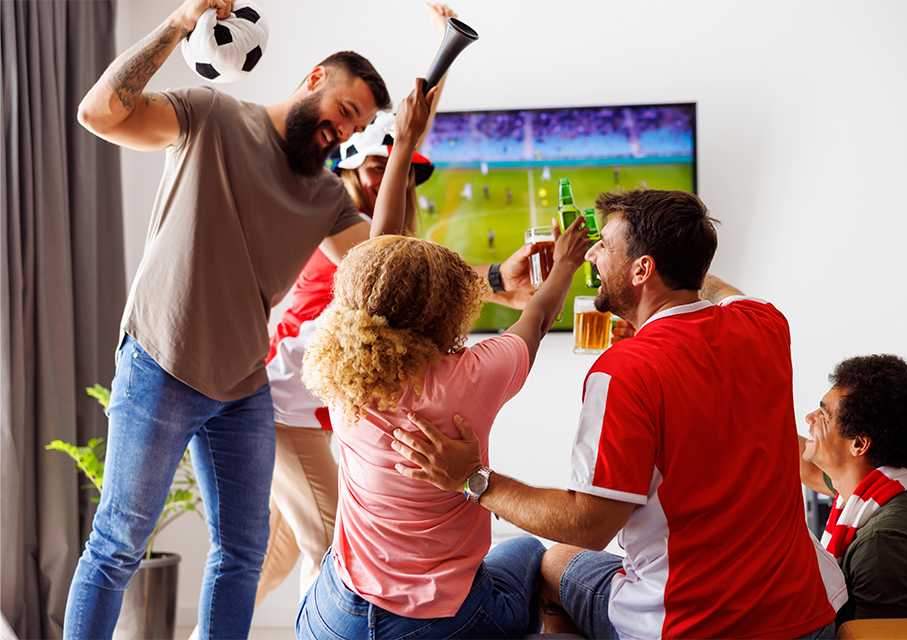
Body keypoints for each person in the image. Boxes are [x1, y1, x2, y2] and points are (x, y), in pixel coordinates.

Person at [63, 0, 404, 635]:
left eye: (358, 128)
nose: (346, 133)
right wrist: (173, 27)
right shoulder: (213, 117)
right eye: (345, 112)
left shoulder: (326, 196)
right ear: (314, 80)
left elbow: (386, 268)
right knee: (116, 546)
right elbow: (97, 113)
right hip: (160, 364)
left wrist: (406, 144)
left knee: (242, 556)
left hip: (243, 387)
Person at [391, 189, 848, 639]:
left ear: (642, 269)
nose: (592, 254)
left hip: (692, 625)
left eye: (604, 245)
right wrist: (674, 270)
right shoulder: (765, 323)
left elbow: (589, 525)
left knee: (552, 561)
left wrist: (473, 478)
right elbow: (720, 290)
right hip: (805, 616)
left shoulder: (625, 371)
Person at [293, 195, 591, 636]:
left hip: (333, 619)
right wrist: (565, 263)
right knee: (528, 551)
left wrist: (405, 142)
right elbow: (539, 316)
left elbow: (378, 248)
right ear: (450, 308)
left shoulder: (341, 369)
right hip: (437, 625)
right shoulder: (472, 376)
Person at [799, 355, 907, 626]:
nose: (809, 418)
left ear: (859, 444)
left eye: (823, 414)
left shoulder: (884, 545)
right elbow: (800, 464)